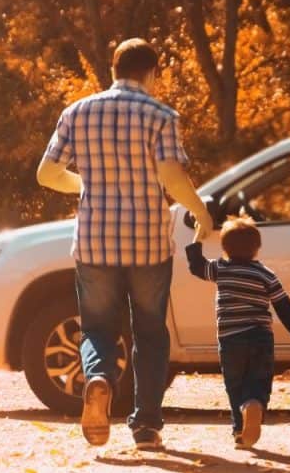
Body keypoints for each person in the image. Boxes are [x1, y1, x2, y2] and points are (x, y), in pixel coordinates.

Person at [37, 38, 214, 450]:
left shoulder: (76, 112)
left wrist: (87, 184)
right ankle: (147, 425)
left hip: (95, 243)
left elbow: (47, 174)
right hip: (147, 245)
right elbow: (171, 176)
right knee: (150, 333)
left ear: (113, 68)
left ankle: (98, 378)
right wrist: (201, 213)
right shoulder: (161, 115)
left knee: (98, 328)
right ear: (151, 73)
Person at [185, 216, 290, 448]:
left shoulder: (220, 269)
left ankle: (239, 430)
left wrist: (198, 235)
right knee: (259, 380)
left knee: (235, 385)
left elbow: (196, 266)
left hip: (230, 339)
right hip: (261, 338)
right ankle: (254, 404)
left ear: (224, 247)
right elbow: (285, 307)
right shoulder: (266, 274)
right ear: (256, 248)